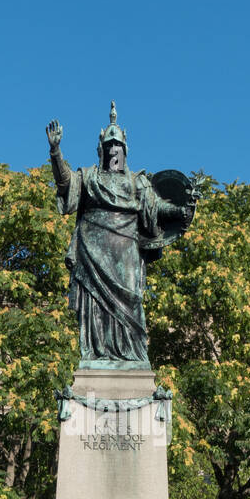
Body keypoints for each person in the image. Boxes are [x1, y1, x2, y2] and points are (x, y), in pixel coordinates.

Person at [47, 103, 197, 365]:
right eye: (109, 147)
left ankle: (131, 358)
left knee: (132, 305)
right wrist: (56, 152)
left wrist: (180, 210)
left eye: (117, 147)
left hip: (126, 251)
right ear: (101, 150)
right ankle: (97, 355)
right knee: (95, 309)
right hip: (92, 249)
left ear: (125, 151)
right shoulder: (89, 176)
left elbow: (155, 206)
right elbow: (66, 184)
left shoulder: (137, 180)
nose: (113, 151)